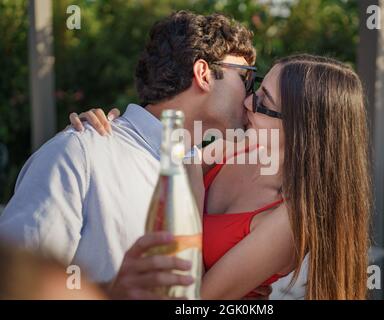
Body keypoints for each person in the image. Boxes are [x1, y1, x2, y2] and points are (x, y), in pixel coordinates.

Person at [0, 11, 271, 299]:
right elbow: (15, 284)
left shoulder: (200, 169)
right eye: (245, 78)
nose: (250, 96)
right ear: (203, 74)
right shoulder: (80, 153)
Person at [72, 54, 372, 299]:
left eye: (263, 102)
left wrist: (191, 177)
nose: (246, 103)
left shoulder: (288, 220)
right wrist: (104, 137)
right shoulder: (237, 147)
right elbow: (152, 163)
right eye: (256, 88)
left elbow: (196, 302)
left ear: (301, 128)